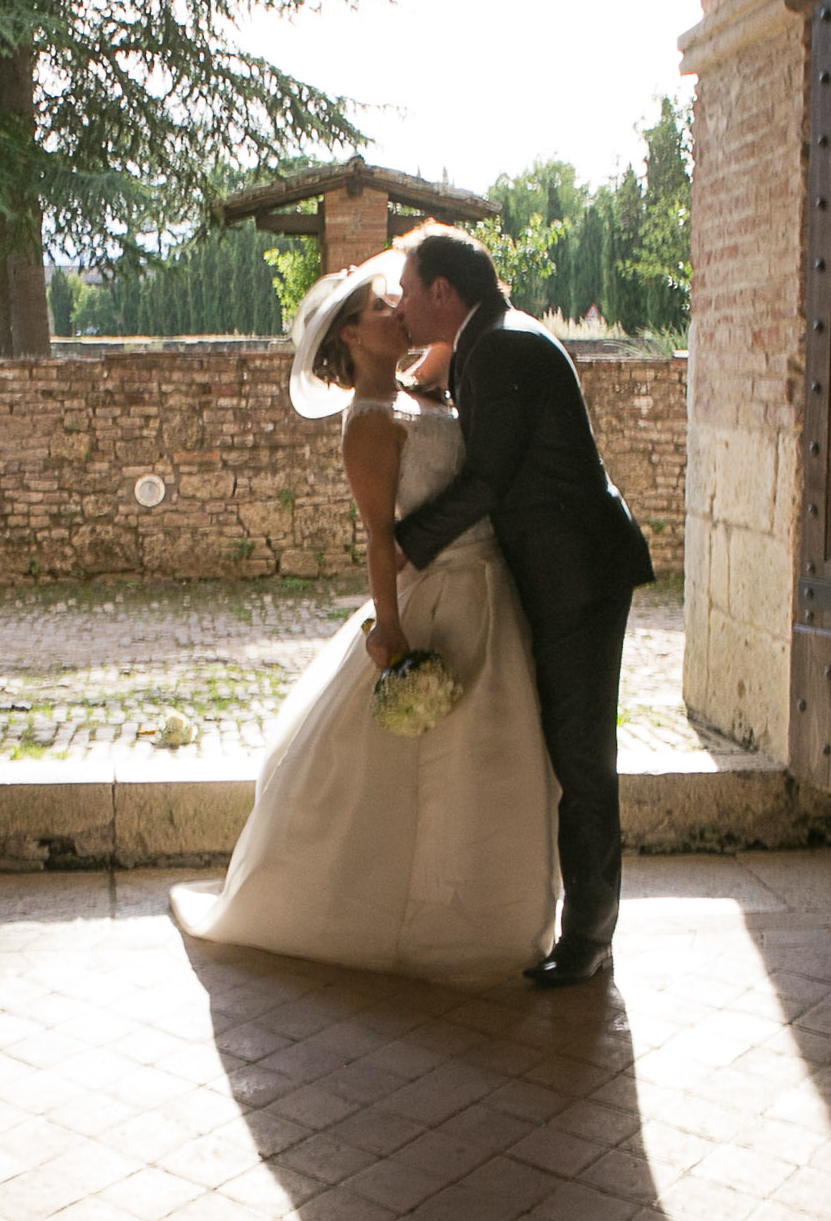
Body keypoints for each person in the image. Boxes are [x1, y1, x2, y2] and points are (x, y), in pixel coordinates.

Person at [170, 256, 559, 979]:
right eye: (386, 309)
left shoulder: (425, 386)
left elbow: (460, 316)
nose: (401, 316)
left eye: (399, 304)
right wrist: (393, 633)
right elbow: (380, 539)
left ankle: (488, 916)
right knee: (425, 769)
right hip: (437, 597)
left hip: (490, 591)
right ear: (352, 334)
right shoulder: (370, 425)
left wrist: (429, 258)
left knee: (490, 764)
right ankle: (394, 913)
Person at [392, 224, 654, 987]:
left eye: (410, 291)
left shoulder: (503, 346)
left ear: (444, 293)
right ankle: (585, 922)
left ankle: (591, 936)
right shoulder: (487, 339)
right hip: (557, 571)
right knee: (568, 751)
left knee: (582, 758)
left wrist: (405, 542)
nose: (403, 305)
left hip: (577, 577)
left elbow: (489, 483)